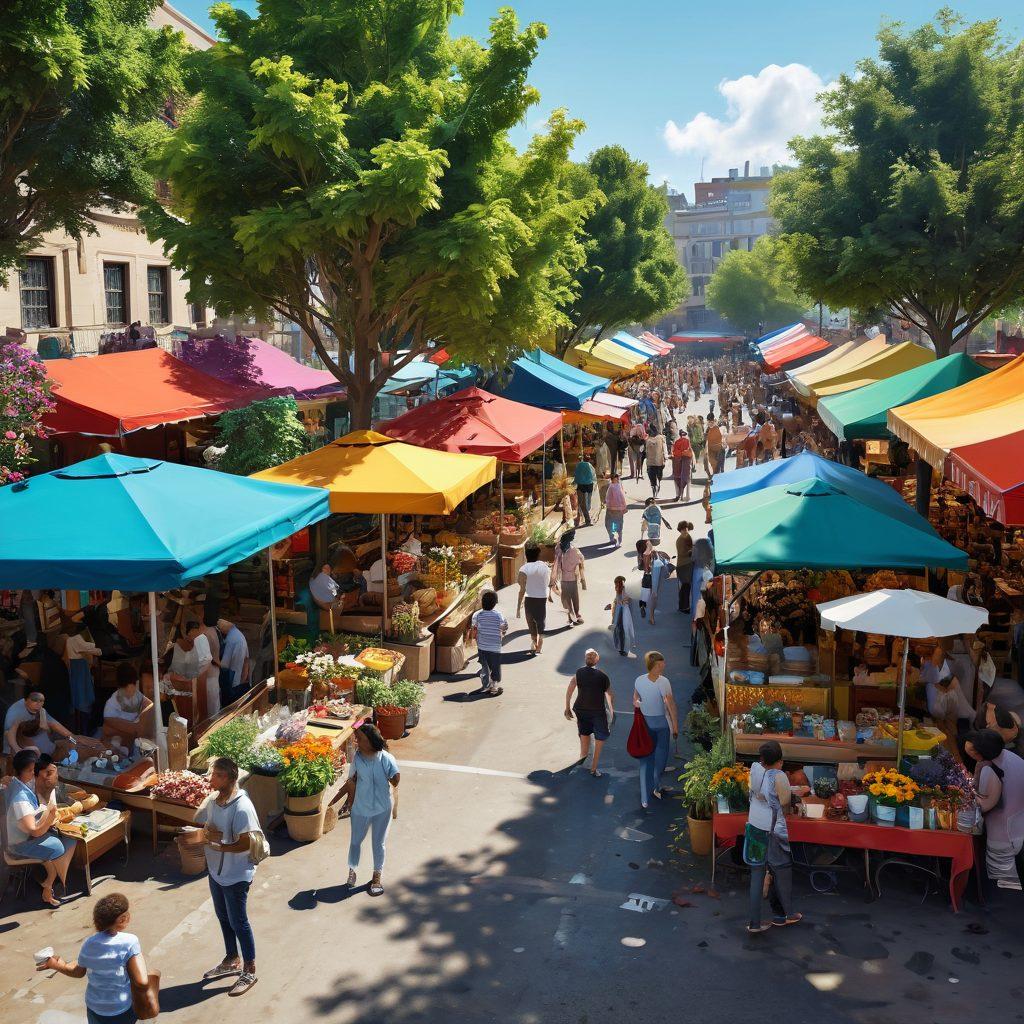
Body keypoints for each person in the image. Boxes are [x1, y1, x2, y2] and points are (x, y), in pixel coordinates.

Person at [196, 756, 261, 996]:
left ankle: (250, 969)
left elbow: (245, 843)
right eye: (211, 774)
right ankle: (231, 958)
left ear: (230, 779)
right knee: (223, 916)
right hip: (216, 871)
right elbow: (210, 828)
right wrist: (203, 834)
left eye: (216, 775)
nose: (210, 779)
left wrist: (221, 846)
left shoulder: (242, 807)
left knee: (239, 921)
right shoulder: (214, 800)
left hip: (236, 874)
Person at [39, 892, 149, 1024]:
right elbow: (142, 982)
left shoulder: (89, 943)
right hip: (120, 1008)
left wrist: (56, 965)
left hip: (94, 1007)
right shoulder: (130, 941)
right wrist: (138, 954)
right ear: (122, 919)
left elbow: (78, 971)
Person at [746, 739, 803, 933]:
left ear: (761, 758)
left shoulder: (754, 770)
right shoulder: (778, 776)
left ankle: (754, 923)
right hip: (772, 830)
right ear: (779, 760)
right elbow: (785, 802)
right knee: (782, 871)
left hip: (754, 826)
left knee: (757, 874)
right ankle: (788, 914)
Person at [5, 750, 75, 906]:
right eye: (32, 771)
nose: (36, 774)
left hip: (23, 836)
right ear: (25, 771)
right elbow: (34, 831)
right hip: (19, 845)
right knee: (60, 845)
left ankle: (49, 883)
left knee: (65, 837)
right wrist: (50, 816)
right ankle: (52, 885)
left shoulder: (18, 782)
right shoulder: (19, 798)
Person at [340, 723, 400, 897]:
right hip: (361, 808)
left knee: (378, 844)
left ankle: (376, 877)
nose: (357, 741)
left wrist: (392, 777)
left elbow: (396, 779)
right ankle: (352, 871)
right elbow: (351, 781)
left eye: (360, 739)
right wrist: (349, 802)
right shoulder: (357, 758)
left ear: (371, 741)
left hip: (382, 808)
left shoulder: (386, 758)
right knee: (355, 842)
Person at [964, 729, 1024, 890]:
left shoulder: (989, 768)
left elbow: (986, 802)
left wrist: (968, 796)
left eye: (971, 752)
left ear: (980, 752)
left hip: (1004, 829)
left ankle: (1006, 885)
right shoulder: (1007, 756)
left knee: (1003, 872)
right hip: (1018, 821)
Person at [632, 651, 678, 809]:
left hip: (645, 724)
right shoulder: (663, 682)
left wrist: (642, 705)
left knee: (646, 760)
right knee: (660, 758)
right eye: (661, 663)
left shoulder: (638, 680)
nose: (664, 665)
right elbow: (670, 705)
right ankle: (656, 787)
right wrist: (676, 726)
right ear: (656, 665)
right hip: (661, 724)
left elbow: (635, 701)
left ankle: (645, 797)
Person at [564, 649, 615, 777]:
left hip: (581, 709)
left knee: (584, 734)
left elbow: (570, 688)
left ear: (585, 659)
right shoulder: (602, 676)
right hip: (597, 711)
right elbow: (609, 695)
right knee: (600, 739)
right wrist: (611, 712)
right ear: (597, 660)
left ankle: (583, 759)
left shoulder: (579, 672)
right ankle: (593, 768)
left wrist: (567, 707)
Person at [922, 645, 973, 760]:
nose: (935, 658)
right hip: (943, 705)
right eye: (935, 655)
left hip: (951, 706)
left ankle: (955, 758)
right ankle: (950, 756)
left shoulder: (947, 673)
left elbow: (945, 687)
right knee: (944, 730)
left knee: (950, 732)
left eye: (938, 656)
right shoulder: (934, 669)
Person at [4, 691, 76, 756]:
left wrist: (72, 742)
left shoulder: (42, 712)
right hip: (18, 747)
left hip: (44, 750)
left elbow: (65, 732)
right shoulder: (15, 714)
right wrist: (17, 749)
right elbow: (8, 733)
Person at [102, 663, 154, 749]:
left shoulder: (139, 697)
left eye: (134, 688)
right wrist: (138, 728)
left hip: (133, 743)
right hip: (116, 745)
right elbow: (137, 730)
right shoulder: (111, 706)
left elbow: (149, 705)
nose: (131, 693)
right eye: (126, 690)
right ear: (119, 688)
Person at [64, 622, 102, 731]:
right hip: (79, 668)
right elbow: (88, 646)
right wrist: (98, 649)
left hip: (78, 667)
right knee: (81, 694)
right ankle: (82, 726)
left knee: (79, 693)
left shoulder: (71, 639)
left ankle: (81, 723)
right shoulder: (75, 639)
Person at [517, 545, 554, 654]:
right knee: (541, 621)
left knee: (531, 623)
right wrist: (549, 594)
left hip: (529, 598)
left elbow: (521, 590)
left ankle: (535, 644)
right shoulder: (544, 566)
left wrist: (518, 608)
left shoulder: (523, 569)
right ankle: (539, 645)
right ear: (538, 555)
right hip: (542, 598)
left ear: (526, 556)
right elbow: (550, 582)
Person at [470, 590, 507, 697]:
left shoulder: (477, 615)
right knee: (495, 667)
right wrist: (502, 633)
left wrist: (474, 639)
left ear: (482, 602)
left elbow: (474, 629)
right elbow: (504, 627)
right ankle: (494, 687)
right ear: (495, 603)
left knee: (485, 666)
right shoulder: (499, 615)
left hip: (482, 646)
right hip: (495, 647)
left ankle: (485, 685)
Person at [553, 529, 586, 626]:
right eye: (572, 536)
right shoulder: (573, 550)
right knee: (574, 597)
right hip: (571, 578)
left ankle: (571, 616)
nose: (573, 537)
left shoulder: (558, 547)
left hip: (562, 578)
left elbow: (557, 561)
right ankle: (577, 615)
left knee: (566, 598)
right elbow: (581, 559)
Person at [217, 618, 250, 706]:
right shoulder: (238, 635)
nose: (219, 628)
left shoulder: (232, 639)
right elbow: (246, 660)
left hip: (231, 681)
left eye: (219, 626)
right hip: (238, 681)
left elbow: (224, 664)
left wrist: (213, 660)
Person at [604, 472, 627, 547]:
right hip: (612, 509)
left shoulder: (617, 486)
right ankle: (613, 538)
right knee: (613, 524)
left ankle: (617, 539)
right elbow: (608, 497)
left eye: (616, 478)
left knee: (614, 524)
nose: (615, 479)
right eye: (613, 478)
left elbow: (622, 497)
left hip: (615, 509)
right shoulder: (612, 486)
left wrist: (624, 507)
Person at [675, 522, 694, 614]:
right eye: (683, 529)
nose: (685, 530)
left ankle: (683, 606)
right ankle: (684, 607)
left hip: (687, 565)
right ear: (680, 530)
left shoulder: (688, 537)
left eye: (686, 529)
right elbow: (682, 553)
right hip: (683, 566)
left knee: (686, 587)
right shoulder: (680, 540)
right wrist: (691, 551)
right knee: (685, 587)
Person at [573, 455, 596, 526]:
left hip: (581, 486)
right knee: (587, 503)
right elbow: (593, 476)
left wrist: (574, 483)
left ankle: (584, 519)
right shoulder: (590, 466)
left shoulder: (578, 465)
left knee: (581, 503)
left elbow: (576, 475)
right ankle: (587, 519)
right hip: (589, 486)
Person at [645, 426, 667, 497]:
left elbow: (644, 450)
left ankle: (655, 489)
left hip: (653, 463)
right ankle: (655, 490)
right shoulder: (660, 438)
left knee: (654, 478)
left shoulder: (649, 439)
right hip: (657, 462)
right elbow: (664, 448)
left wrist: (665, 457)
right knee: (655, 478)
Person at [671, 432, 693, 502]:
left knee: (677, 479)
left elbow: (674, 452)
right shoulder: (688, 443)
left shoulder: (676, 442)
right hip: (686, 464)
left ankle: (678, 495)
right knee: (687, 479)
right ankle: (687, 496)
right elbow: (691, 455)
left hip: (677, 462)